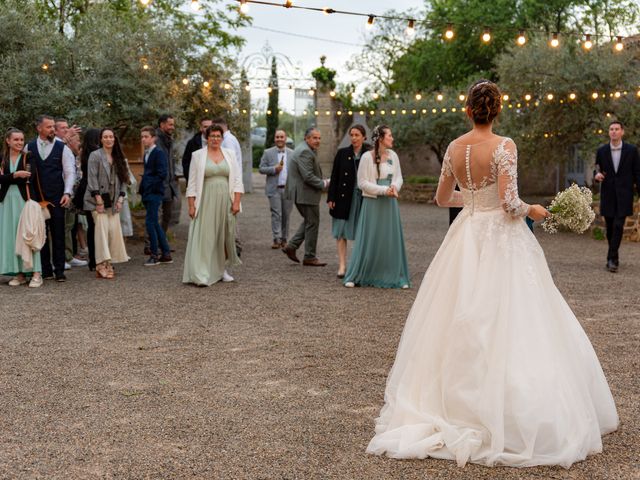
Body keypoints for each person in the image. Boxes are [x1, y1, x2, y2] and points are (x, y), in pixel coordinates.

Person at [366, 80, 618, 468]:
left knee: (456, 316)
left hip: (466, 231)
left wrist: (468, 203)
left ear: (468, 110)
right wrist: (535, 208)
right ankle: (509, 413)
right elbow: (509, 203)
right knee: (515, 316)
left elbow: (440, 199)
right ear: (497, 111)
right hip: (501, 236)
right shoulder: (504, 146)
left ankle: (450, 404)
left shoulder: (453, 147)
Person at [342, 125, 409, 289]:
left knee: (388, 238)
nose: (392, 138)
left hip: (389, 203)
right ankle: (358, 274)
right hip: (373, 203)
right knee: (369, 237)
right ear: (381, 138)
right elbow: (362, 183)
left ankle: (395, 275)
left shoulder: (393, 155)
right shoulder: (366, 157)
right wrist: (384, 190)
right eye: (390, 136)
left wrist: (394, 188)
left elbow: (399, 177)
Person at [183, 124, 243, 286]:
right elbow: (192, 183)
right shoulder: (197, 156)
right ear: (206, 138)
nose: (215, 139)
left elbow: (237, 180)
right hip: (205, 200)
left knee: (224, 236)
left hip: (226, 200)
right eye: (212, 136)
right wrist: (191, 205)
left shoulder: (229, 154)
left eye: (218, 136)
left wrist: (237, 202)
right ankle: (202, 272)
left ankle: (221, 269)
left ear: (222, 138)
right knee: (206, 236)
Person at [26, 115, 76, 282]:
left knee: (59, 233)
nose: (53, 130)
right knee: (41, 234)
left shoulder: (63, 148)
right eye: (49, 127)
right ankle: (45, 269)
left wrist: (67, 193)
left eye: (54, 127)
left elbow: (70, 172)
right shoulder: (29, 147)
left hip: (57, 197)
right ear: (39, 128)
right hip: (37, 198)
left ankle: (60, 270)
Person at [594, 120, 640, 273]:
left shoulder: (632, 150)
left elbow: (637, 173)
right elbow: (597, 169)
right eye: (611, 129)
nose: (613, 131)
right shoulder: (601, 151)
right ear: (609, 132)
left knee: (619, 226)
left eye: (616, 129)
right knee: (610, 228)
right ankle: (613, 257)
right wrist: (597, 175)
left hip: (624, 194)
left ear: (622, 132)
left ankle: (612, 258)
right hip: (608, 195)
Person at [83, 128, 130, 279]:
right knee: (101, 233)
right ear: (101, 139)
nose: (109, 139)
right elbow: (92, 179)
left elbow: (124, 180)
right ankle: (101, 264)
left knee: (113, 234)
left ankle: (109, 263)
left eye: (111, 137)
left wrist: (121, 199)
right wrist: (98, 200)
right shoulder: (95, 156)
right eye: (105, 137)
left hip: (114, 201)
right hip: (97, 201)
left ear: (114, 139)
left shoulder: (119, 157)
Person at [0, 128, 42, 287]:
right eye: (16, 139)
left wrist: (8, 178)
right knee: (11, 237)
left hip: (25, 202)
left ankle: (37, 273)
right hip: (6, 203)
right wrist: (15, 175)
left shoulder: (29, 156)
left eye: (21, 140)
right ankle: (19, 273)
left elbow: (29, 177)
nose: (19, 142)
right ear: (8, 141)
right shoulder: (2, 158)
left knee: (29, 235)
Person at [327, 125, 370, 278]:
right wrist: (331, 197)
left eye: (357, 135)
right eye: (351, 135)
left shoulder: (370, 153)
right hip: (343, 197)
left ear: (364, 137)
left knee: (363, 233)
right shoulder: (342, 153)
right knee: (341, 232)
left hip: (363, 198)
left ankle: (358, 265)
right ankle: (342, 265)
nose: (353, 138)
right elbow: (335, 176)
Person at [282, 127, 329, 266]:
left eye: (319, 138)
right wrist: (324, 183)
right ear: (306, 138)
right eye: (314, 138)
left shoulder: (305, 149)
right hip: (305, 193)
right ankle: (309, 256)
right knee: (312, 222)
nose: (318, 140)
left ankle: (292, 246)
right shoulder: (305, 152)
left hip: (303, 193)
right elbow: (308, 176)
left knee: (310, 221)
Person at [139, 126, 172, 266]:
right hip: (148, 192)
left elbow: (162, 174)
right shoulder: (147, 153)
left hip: (154, 192)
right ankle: (166, 253)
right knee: (155, 224)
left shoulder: (158, 153)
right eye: (142, 137)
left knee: (150, 223)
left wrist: (149, 186)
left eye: (146, 136)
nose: (143, 139)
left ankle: (154, 254)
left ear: (154, 138)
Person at [259, 129, 294, 249]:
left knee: (286, 215)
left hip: (288, 189)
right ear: (274, 138)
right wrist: (274, 169)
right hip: (274, 189)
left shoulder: (292, 153)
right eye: (277, 137)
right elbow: (261, 168)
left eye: (281, 137)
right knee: (276, 214)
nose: (279, 139)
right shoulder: (267, 152)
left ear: (286, 138)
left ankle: (284, 238)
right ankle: (276, 239)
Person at [73, 128, 101, 270]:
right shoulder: (97, 154)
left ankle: (93, 260)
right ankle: (98, 259)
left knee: (91, 226)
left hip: (84, 190)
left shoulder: (83, 152)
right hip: (94, 191)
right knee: (99, 226)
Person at [155, 114, 180, 234]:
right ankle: (151, 245)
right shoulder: (155, 140)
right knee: (157, 216)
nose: (172, 127)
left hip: (169, 186)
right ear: (162, 124)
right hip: (158, 185)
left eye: (173, 125)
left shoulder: (168, 140)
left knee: (167, 216)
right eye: (170, 124)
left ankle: (162, 242)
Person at [182, 117, 212, 186]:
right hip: (196, 183)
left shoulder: (219, 142)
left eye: (210, 126)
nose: (208, 129)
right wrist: (191, 180)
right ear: (200, 128)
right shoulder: (192, 143)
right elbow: (186, 162)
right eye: (205, 127)